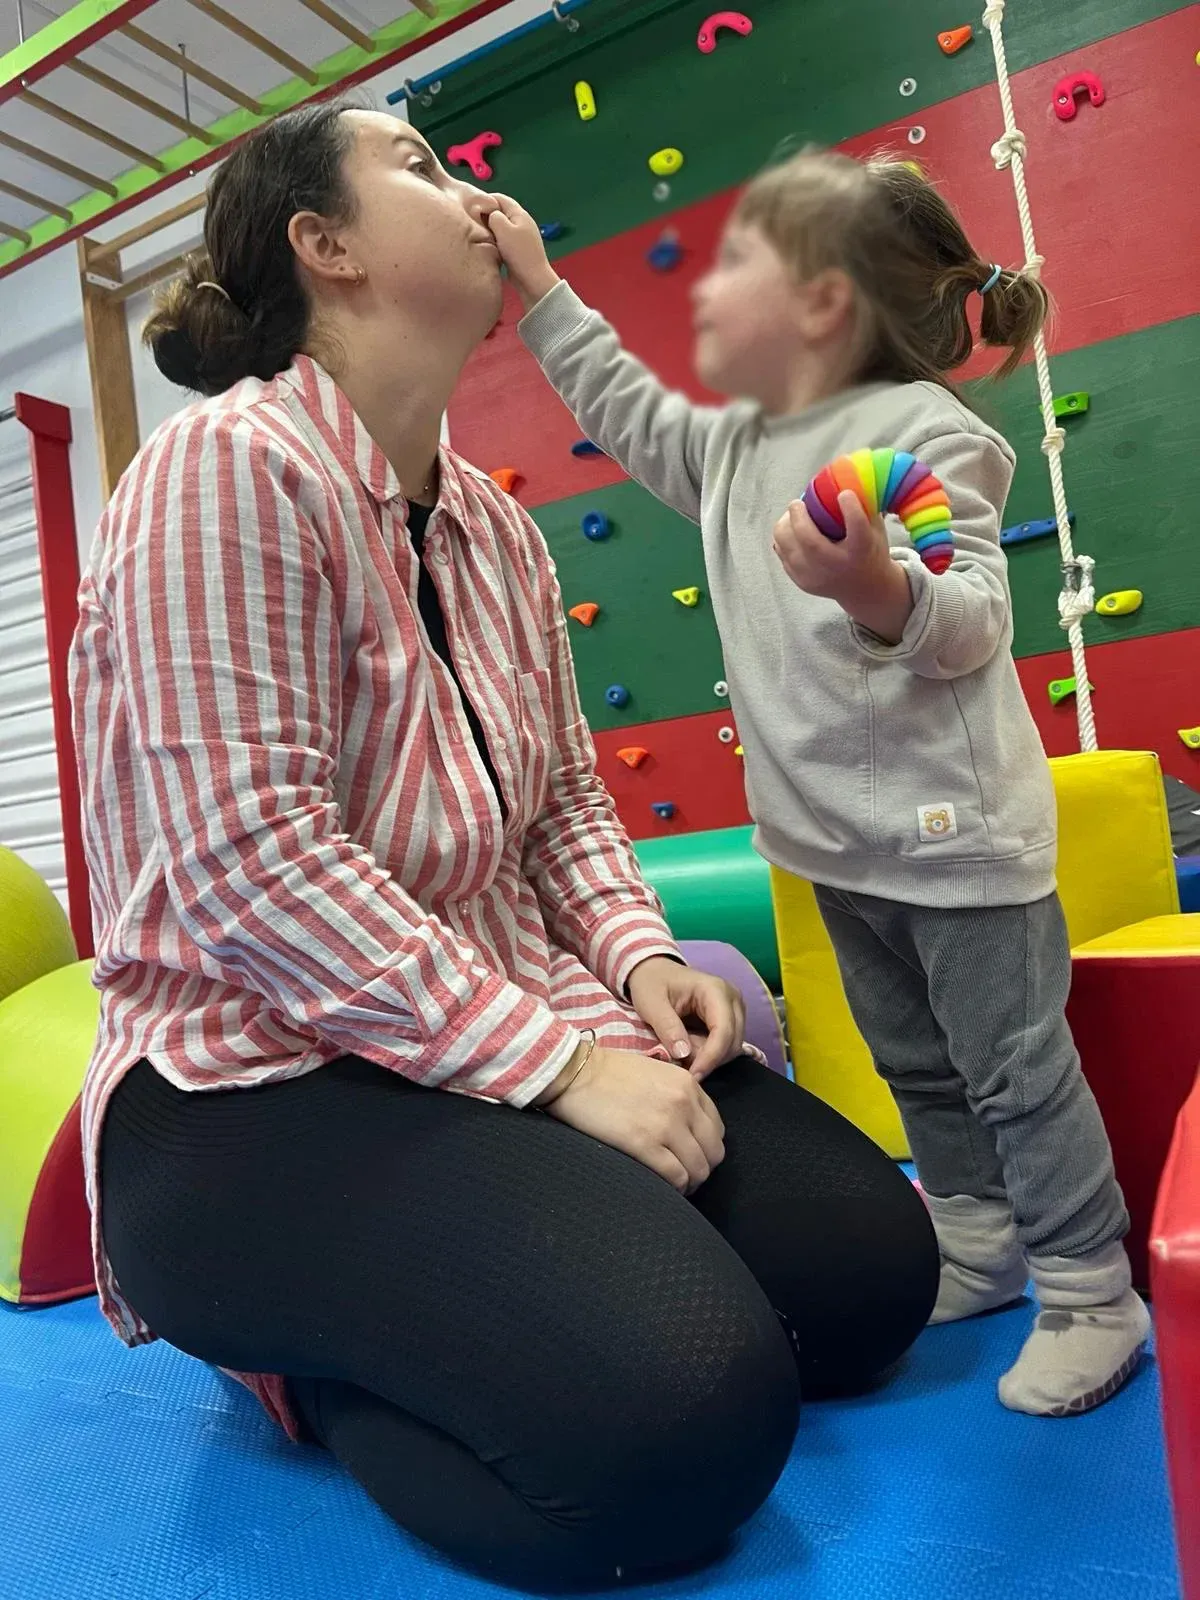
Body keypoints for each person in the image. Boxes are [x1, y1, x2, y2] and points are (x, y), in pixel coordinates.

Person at [71, 105, 938, 1591]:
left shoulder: (490, 526)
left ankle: (510, 1275)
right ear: (324, 247)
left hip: (477, 1038)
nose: (474, 191)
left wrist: (640, 961)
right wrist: (560, 1070)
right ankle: (316, 1373)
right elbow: (247, 862)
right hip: (250, 1092)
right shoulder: (222, 470)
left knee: (869, 1277)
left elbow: (562, 815)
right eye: (418, 168)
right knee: (682, 1428)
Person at [491, 147, 1151, 1419]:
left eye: (749, 263)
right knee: (918, 1065)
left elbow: (973, 618)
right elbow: (624, 408)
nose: (714, 286)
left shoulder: (927, 432)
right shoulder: (739, 450)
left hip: (955, 842)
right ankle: (977, 1240)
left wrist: (877, 590)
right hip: (833, 846)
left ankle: (1089, 1286)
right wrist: (539, 289)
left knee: (1016, 1068)